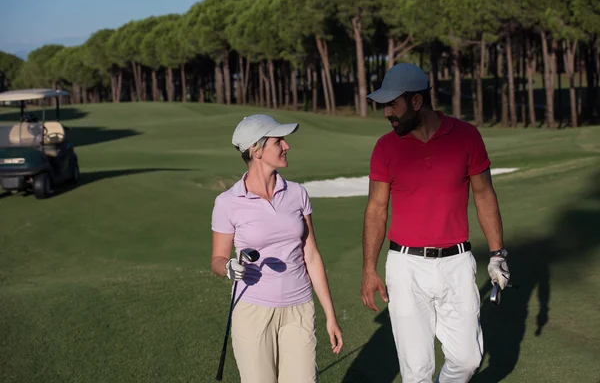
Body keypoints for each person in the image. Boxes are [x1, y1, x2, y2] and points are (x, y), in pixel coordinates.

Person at [360, 63, 510, 383]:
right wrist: (369, 269)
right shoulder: (385, 147)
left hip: (457, 263)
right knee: (417, 371)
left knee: (468, 360)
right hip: (405, 266)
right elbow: (376, 209)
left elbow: (484, 195)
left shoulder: (466, 136)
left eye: (393, 104)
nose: (387, 113)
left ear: (417, 102)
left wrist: (498, 254)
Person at [211, 114, 343, 383]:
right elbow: (217, 258)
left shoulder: (297, 193)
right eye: (278, 141)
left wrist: (330, 315)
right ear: (257, 150)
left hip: (300, 309)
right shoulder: (228, 202)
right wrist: (227, 267)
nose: (287, 146)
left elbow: (312, 255)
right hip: (253, 312)